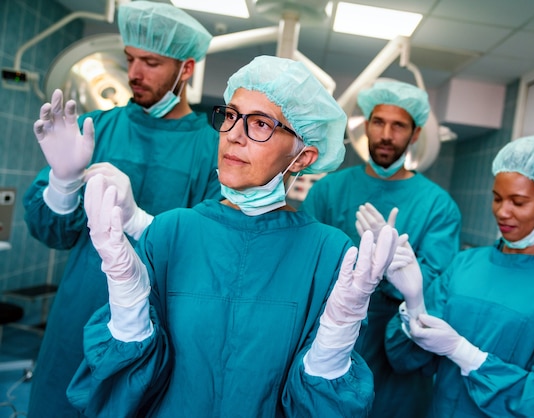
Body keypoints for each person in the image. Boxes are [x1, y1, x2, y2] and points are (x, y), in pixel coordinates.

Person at [65, 55, 401, 417]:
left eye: (260, 124)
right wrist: (128, 305)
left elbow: (319, 408)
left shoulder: (330, 254)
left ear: (302, 157)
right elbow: (121, 393)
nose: (234, 136)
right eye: (230, 116)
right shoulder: (171, 232)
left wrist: (333, 344)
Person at [23, 2, 221, 416]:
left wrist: (141, 224)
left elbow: (208, 257)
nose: (134, 73)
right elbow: (50, 232)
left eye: (151, 62)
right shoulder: (98, 128)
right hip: (75, 318)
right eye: (130, 59)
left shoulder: (210, 152)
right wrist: (62, 182)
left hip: (155, 327)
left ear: (186, 69)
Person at [383, 134, 534, 417]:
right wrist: (413, 301)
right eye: (497, 198)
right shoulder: (466, 264)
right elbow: (404, 359)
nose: (503, 212)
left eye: (518, 201)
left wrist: (466, 355)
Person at [301, 79, 461, 417]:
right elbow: (305, 269)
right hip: (330, 340)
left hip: (401, 353)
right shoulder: (329, 190)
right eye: (378, 122)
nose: (386, 134)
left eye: (399, 125)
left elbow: (434, 287)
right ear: (367, 126)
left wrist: (391, 270)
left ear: (415, 134)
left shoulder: (438, 206)